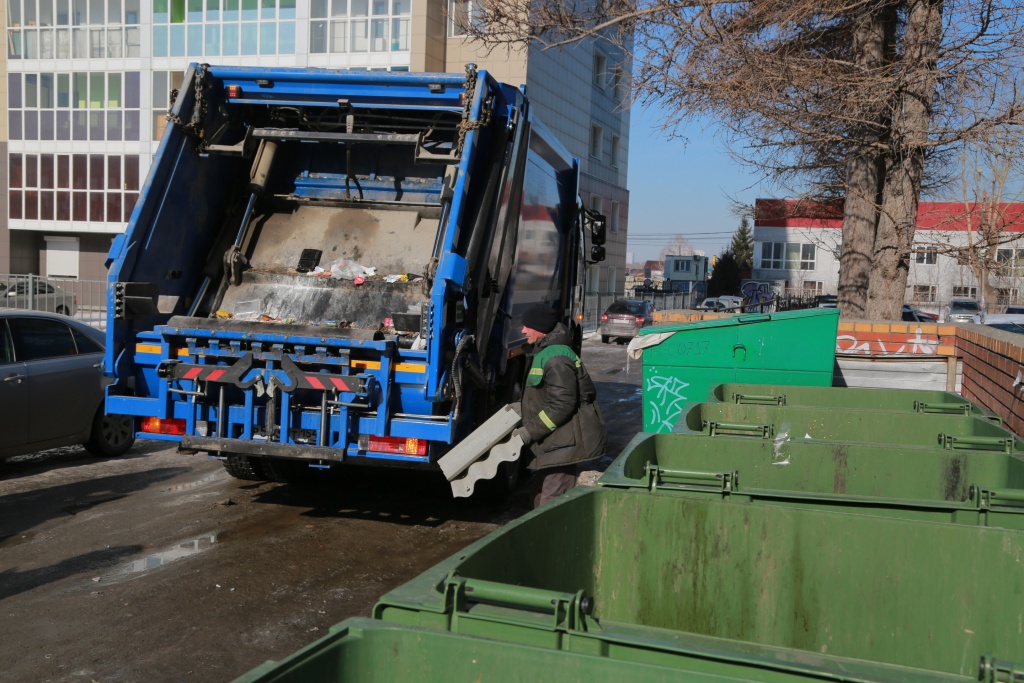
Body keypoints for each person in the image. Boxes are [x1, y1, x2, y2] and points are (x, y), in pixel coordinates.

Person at [513, 303, 607, 508]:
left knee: (551, 504)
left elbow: (563, 404)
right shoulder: (546, 352)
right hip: (555, 442)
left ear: (540, 328)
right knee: (539, 499)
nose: (523, 330)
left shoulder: (556, 358)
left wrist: (530, 431)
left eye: (527, 326)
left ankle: (552, 540)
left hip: (564, 444)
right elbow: (544, 396)